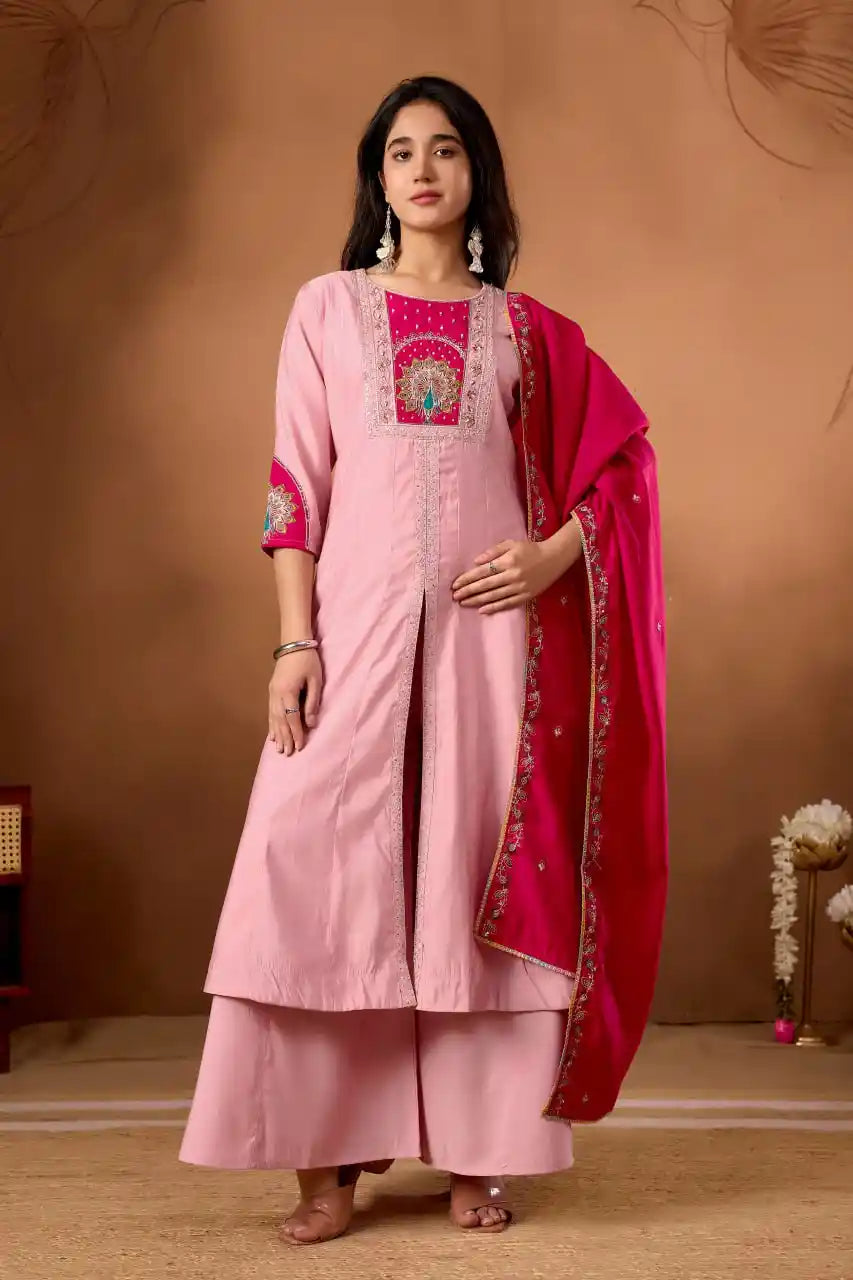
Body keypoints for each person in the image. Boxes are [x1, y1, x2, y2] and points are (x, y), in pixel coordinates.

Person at [179, 74, 668, 1246]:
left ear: (474, 174)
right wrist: (296, 640)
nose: (422, 168)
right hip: (347, 636)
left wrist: (553, 557)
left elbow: (622, 466)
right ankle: (329, 1160)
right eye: (400, 151)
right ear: (378, 179)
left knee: (467, 879)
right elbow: (294, 481)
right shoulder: (326, 309)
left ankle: (477, 1148)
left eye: (445, 149)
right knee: (326, 876)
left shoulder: (525, 330)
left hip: (491, 650)